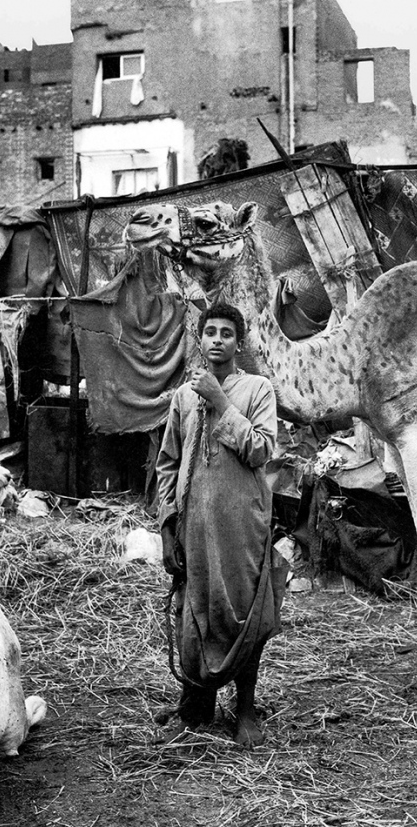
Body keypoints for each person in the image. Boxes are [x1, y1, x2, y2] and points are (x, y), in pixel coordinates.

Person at [156, 301, 282, 748]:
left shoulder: (258, 389)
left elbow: (261, 450)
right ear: (200, 338)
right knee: (195, 611)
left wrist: (221, 400)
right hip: (194, 528)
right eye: (210, 332)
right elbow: (168, 464)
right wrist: (167, 525)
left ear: (239, 343)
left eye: (227, 334)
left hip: (242, 528)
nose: (217, 340)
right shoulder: (183, 397)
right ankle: (197, 703)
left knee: (244, 614)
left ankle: (245, 708)